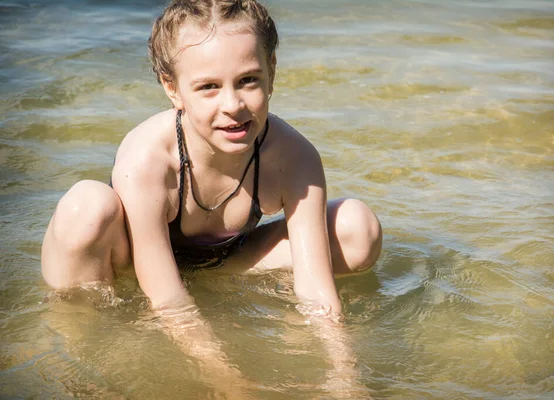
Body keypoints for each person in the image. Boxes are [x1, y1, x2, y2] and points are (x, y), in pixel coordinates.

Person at [41, 0, 382, 396]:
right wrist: (229, 381)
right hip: (135, 266)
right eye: (208, 87)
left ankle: (213, 289)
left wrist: (345, 375)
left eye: (249, 80)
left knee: (356, 226)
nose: (233, 106)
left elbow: (317, 290)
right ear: (172, 88)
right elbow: (167, 296)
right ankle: (72, 339)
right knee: (86, 207)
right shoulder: (148, 159)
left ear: (272, 71)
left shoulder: (293, 157)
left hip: (224, 260)